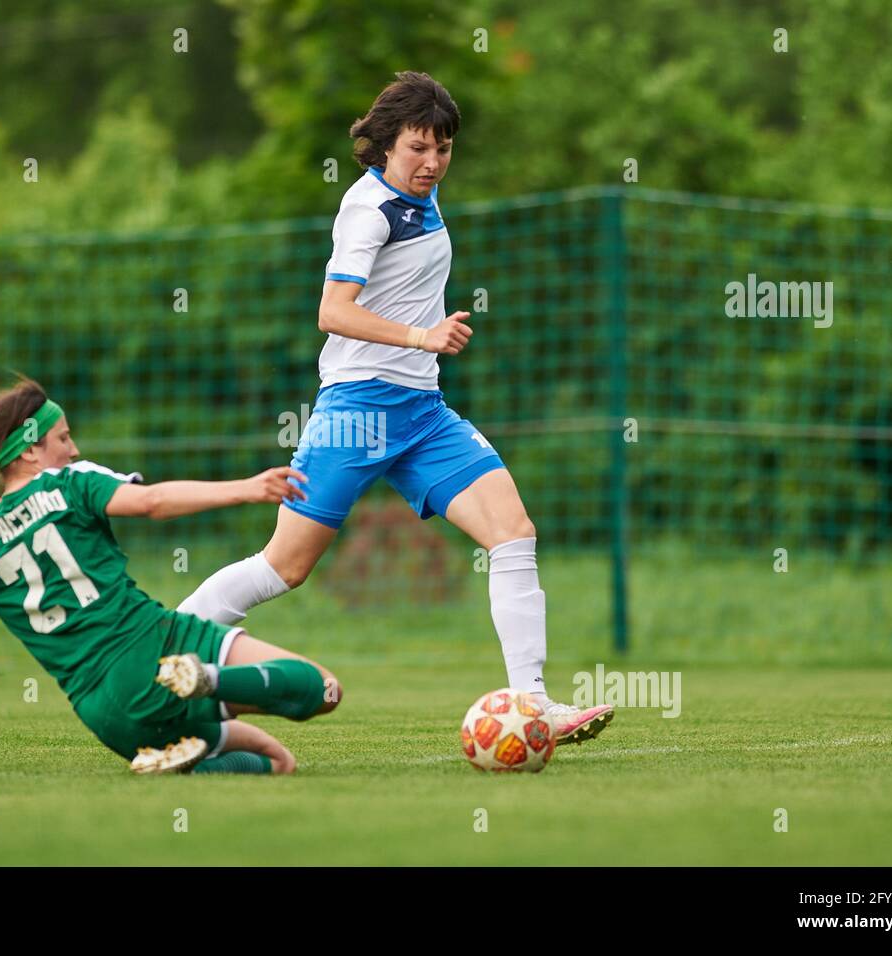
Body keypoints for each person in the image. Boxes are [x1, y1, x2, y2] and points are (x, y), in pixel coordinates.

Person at [177, 71, 612, 744]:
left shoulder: (422, 198)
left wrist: (423, 349)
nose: (432, 162)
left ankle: (533, 704)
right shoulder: (369, 209)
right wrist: (422, 336)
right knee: (285, 566)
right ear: (385, 145)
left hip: (423, 414)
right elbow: (332, 311)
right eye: (418, 147)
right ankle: (164, 651)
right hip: (356, 410)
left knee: (513, 532)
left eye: (443, 148)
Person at [0, 377, 340, 775]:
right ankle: (207, 679)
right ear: (31, 449)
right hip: (156, 646)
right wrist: (245, 488)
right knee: (324, 689)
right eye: (63, 437)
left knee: (277, 761)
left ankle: (184, 755)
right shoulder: (69, 484)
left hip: (107, 716)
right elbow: (152, 502)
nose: (73, 450)